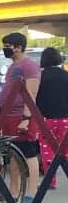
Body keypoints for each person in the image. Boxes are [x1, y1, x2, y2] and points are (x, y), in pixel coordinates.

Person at [0, 32, 42, 203]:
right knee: (12, 156)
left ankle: (31, 193)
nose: (5, 49)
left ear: (18, 47)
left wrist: (26, 118)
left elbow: (31, 94)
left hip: (21, 116)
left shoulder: (29, 66)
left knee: (29, 154)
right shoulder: (13, 66)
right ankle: (13, 192)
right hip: (8, 116)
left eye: (8, 45)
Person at [35, 47, 68, 190]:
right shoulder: (66, 75)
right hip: (66, 118)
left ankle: (50, 181)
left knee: (47, 150)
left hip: (46, 119)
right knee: (66, 150)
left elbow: (35, 97)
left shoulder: (40, 77)